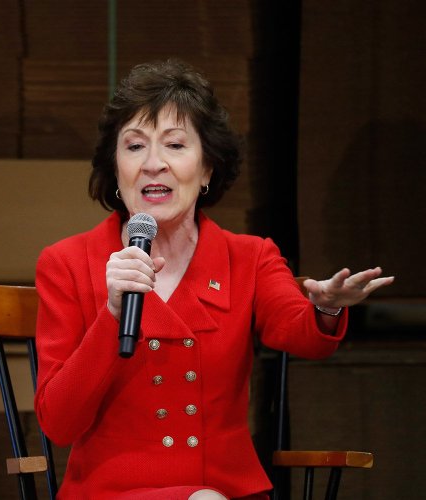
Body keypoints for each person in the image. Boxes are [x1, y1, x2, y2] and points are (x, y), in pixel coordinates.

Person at [33, 59, 393, 500]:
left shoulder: (250, 257)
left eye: (175, 145)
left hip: (226, 489)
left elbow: (301, 334)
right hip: (111, 492)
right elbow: (59, 423)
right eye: (134, 146)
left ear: (207, 171)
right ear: (114, 169)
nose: (153, 164)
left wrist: (326, 306)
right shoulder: (66, 263)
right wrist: (111, 316)